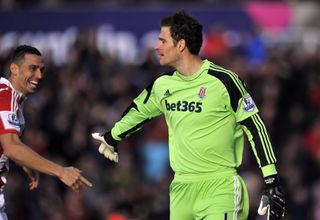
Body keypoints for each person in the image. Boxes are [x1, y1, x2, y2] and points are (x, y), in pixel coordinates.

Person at [92, 11, 286, 220]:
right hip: (180, 191)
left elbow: (255, 126)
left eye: (162, 40)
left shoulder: (224, 81)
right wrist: (113, 136)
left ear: (181, 45)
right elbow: (139, 112)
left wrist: (270, 179)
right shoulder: (162, 85)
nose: (156, 47)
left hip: (220, 188)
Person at [0, 45, 92, 220]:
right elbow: (11, 147)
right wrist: (61, 171)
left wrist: (27, 163)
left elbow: (9, 144)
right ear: (14, 68)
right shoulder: (6, 97)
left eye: (41, 70)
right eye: (32, 69)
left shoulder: (12, 99)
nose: (39, 75)